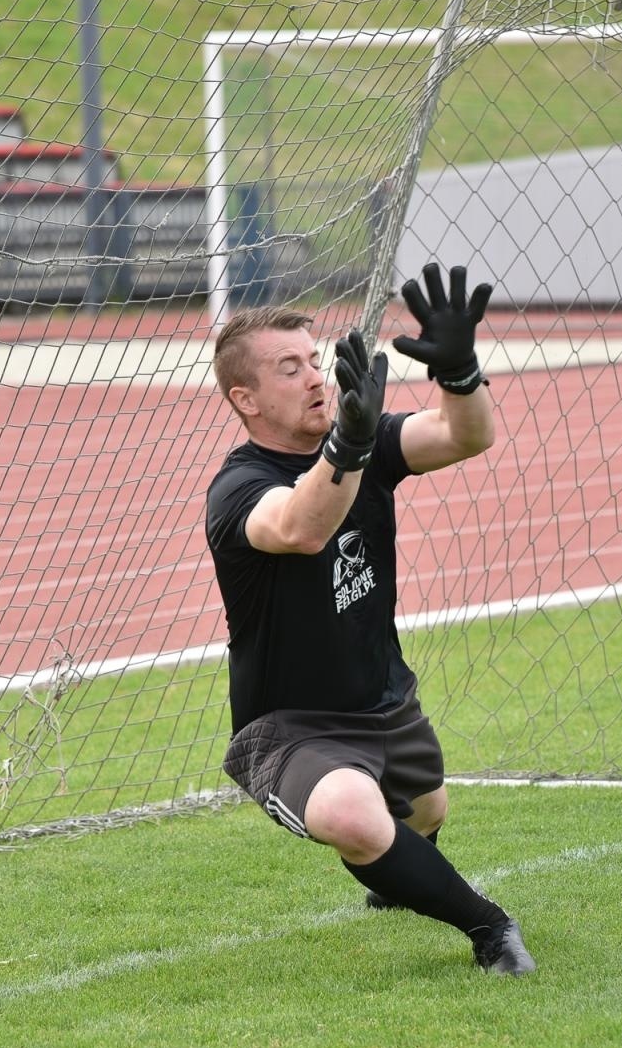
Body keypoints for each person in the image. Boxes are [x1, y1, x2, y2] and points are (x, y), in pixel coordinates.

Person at [204, 263, 535, 975]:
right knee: (354, 816)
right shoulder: (239, 487)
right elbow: (301, 527)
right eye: (289, 369)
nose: (316, 377)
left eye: (314, 361)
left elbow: (463, 435)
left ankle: (399, 876)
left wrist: (460, 370)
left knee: (425, 813)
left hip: (384, 701)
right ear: (247, 398)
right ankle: (489, 927)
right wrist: (346, 446)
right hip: (285, 727)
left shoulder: (364, 437)